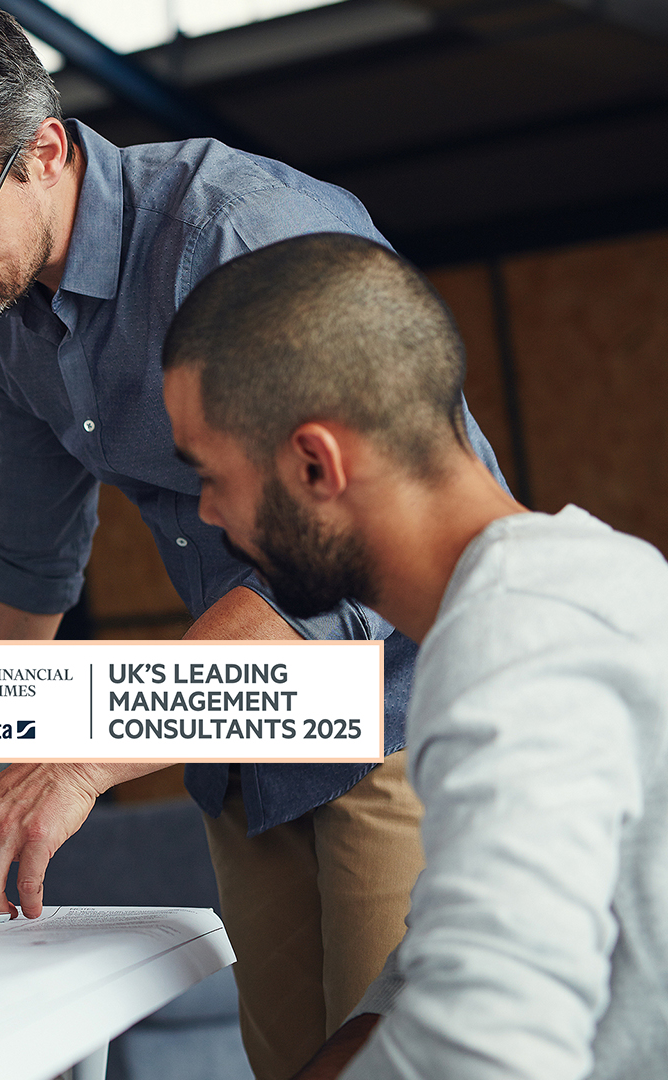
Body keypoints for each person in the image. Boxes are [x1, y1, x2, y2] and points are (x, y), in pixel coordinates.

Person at [0, 4, 504, 1075]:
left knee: (403, 1061)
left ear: (46, 152)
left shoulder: (240, 234)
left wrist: (81, 754)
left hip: (401, 709)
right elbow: (27, 556)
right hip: (242, 738)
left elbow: (352, 554)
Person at [163, 231, 668, 1080]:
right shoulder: (577, 583)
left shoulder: (517, 645)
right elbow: (450, 956)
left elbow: (486, 1052)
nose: (208, 515)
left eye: (211, 476)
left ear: (315, 464)